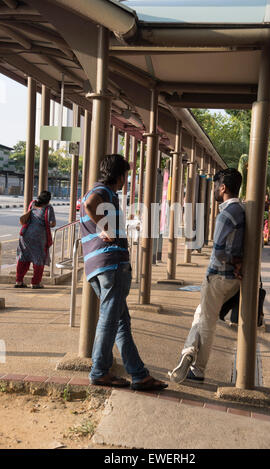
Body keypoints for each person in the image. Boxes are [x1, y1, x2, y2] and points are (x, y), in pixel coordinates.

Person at [80, 153, 167, 391]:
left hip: (98, 266)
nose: (125, 181)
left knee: (120, 321)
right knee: (111, 319)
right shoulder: (104, 191)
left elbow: (88, 204)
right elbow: (90, 205)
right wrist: (104, 226)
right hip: (111, 264)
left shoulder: (96, 191)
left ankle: (139, 374)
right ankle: (99, 371)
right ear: (120, 176)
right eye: (126, 176)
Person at [169, 168, 245, 383]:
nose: (213, 190)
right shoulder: (242, 210)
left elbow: (220, 249)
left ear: (223, 188)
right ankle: (189, 352)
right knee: (201, 315)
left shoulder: (227, 213)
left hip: (218, 276)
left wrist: (231, 262)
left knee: (206, 322)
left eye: (215, 186)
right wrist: (238, 263)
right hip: (233, 278)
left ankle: (198, 368)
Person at [15, 190, 56, 289]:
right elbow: (52, 223)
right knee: (38, 259)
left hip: (25, 236)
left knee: (23, 257)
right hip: (39, 238)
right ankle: (35, 283)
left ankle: (19, 281)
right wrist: (49, 223)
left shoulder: (32, 204)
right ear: (48, 200)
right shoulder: (48, 208)